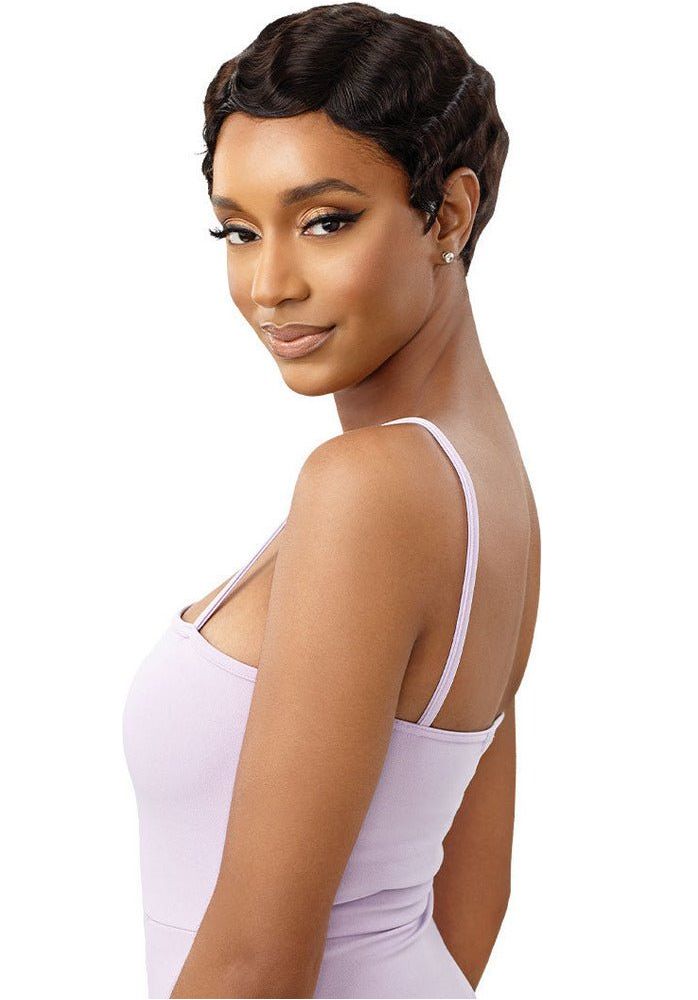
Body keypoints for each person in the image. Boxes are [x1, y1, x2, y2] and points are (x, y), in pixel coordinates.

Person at [122, 3, 540, 996]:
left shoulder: (371, 487)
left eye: (325, 222)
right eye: (237, 230)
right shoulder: (483, 479)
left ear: (448, 214)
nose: (270, 284)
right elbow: (472, 896)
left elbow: (257, 958)